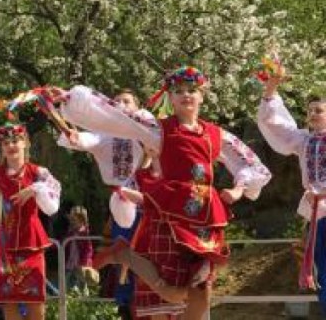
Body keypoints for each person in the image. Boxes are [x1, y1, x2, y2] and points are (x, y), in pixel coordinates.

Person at [57, 66, 272, 319]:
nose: (186, 95)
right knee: (166, 290)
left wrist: (238, 189)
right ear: (170, 98)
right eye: (178, 91)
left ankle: (124, 254)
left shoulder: (216, 134)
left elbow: (250, 163)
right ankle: (125, 255)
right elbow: (118, 116)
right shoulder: (158, 129)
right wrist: (72, 99)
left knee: (202, 288)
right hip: (169, 210)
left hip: (205, 215)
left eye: (192, 90)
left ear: (202, 96)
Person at [58, 88, 150, 318]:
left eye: (126, 101)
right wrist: (71, 131)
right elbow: (84, 139)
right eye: (116, 101)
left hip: (151, 203)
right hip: (123, 206)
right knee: (125, 256)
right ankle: (127, 304)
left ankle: (152, 300)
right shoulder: (104, 134)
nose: (119, 104)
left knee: (150, 255)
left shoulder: (147, 127)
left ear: (136, 107)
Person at [0, 120, 60, 320]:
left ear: (25, 143)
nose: (11, 146)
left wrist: (35, 189)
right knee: (8, 301)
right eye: (6, 143)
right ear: (2, 148)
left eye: (16, 141)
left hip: (30, 243)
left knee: (35, 300)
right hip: (2, 245)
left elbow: (52, 205)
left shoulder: (38, 173)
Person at [256, 64, 326, 301]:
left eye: (319, 110)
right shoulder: (304, 140)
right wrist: (271, 88)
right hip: (317, 211)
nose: (314, 114)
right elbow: (277, 126)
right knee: (322, 267)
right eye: (310, 111)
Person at [65, 206, 97, 294]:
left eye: (75, 220)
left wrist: (85, 263)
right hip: (70, 264)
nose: (72, 222)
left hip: (81, 265)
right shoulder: (71, 232)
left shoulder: (85, 234)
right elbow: (64, 244)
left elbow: (88, 250)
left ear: (82, 221)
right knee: (68, 283)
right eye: (71, 220)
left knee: (82, 285)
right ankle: (69, 300)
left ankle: (83, 301)